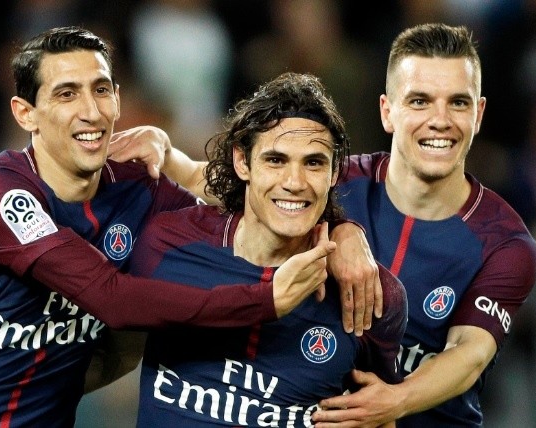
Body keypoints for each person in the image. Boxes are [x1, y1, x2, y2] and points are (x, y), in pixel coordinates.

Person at [0, 26, 362, 428]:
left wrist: (343, 231)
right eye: (66, 94)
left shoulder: (137, 190)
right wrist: (266, 299)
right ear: (25, 113)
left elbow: (246, 204)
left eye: (101, 89)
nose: (90, 111)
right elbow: (113, 299)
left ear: (117, 98)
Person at [109, 22, 536, 427]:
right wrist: (164, 150)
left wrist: (394, 401)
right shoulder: (325, 179)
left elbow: (469, 353)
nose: (440, 119)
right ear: (387, 112)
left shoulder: (504, 242)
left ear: (479, 114)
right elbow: (231, 181)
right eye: (419, 101)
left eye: (458, 102)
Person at [127, 71, 407, 427]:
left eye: (313, 163)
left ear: (335, 172)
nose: (294, 182)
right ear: (242, 162)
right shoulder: (168, 244)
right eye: (275, 160)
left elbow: (380, 415)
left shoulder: (370, 293)